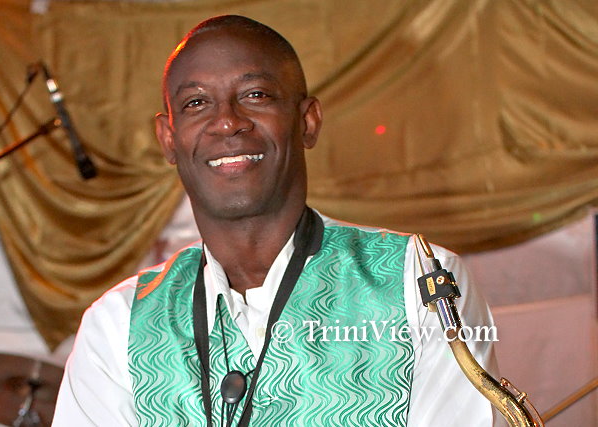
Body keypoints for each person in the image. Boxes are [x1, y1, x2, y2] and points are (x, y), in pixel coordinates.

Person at [53, 15, 497, 426]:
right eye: (196, 103)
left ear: (307, 121)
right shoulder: (118, 323)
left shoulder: (420, 281)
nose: (227, 122)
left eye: (255, 95)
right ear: (168, 139)